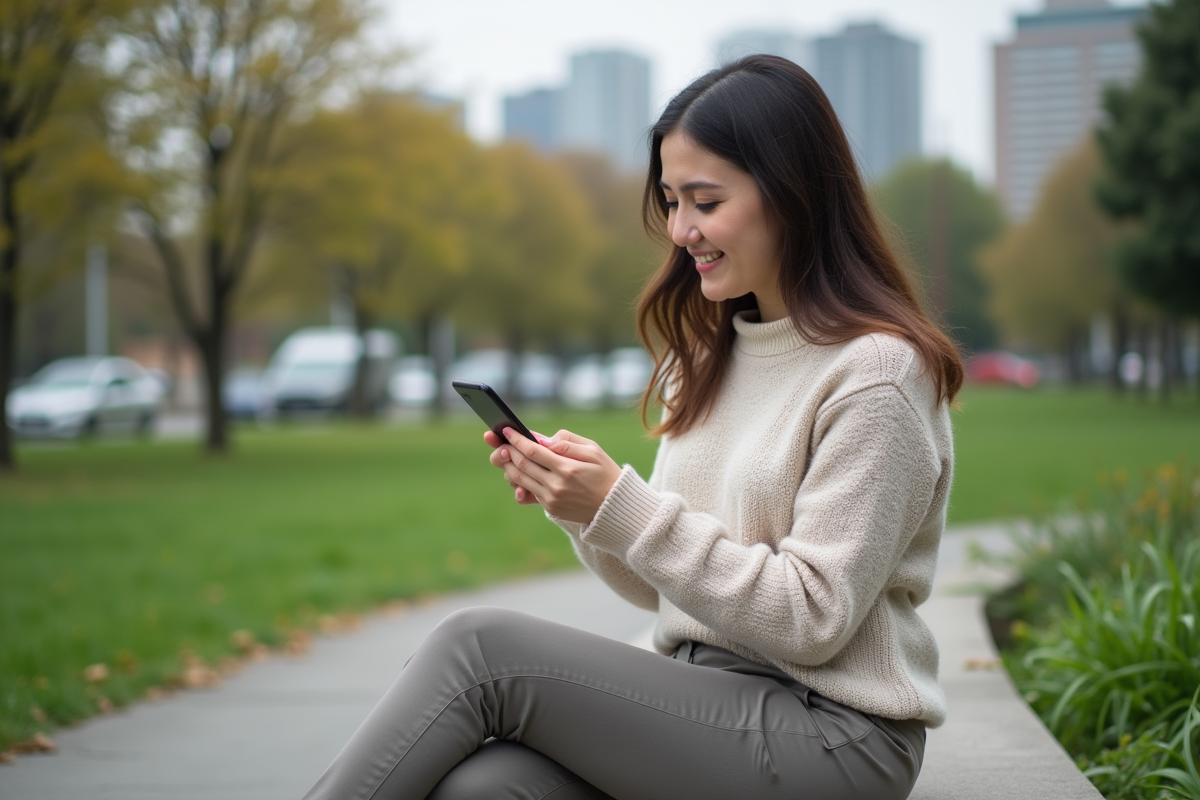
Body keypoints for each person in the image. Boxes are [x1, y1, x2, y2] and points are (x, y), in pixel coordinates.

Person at [302, 54, 960, 800]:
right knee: (485, 789)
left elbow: (812, 618)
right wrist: (583, 511)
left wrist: (624, 505)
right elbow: (673, 596)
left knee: (480, 650)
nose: (680, 230)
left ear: (792, 193)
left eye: (705, 202)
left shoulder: (875, 373)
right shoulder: (710, 356)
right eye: (672, 201)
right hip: (706, 704)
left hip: (834, 736)